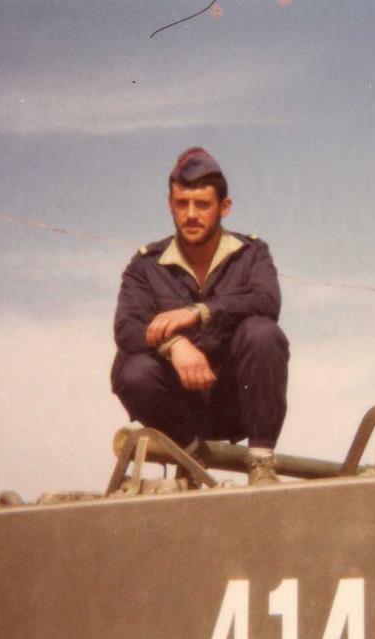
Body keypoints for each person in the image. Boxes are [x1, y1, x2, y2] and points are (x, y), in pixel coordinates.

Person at [111, 147, 289, 485]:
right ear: (170, 205)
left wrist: (200, 312)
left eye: (202, 205)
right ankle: (188, 457)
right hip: (177, 409)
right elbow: (126, 328)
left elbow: (268, 301)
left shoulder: (251, 254)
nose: (191, 215)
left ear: (224, 207)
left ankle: (262, 463)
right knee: (133, 370)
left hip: (236, 401)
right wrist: (174, 344)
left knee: (263, 333)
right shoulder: (145, 265)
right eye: (182, 204)